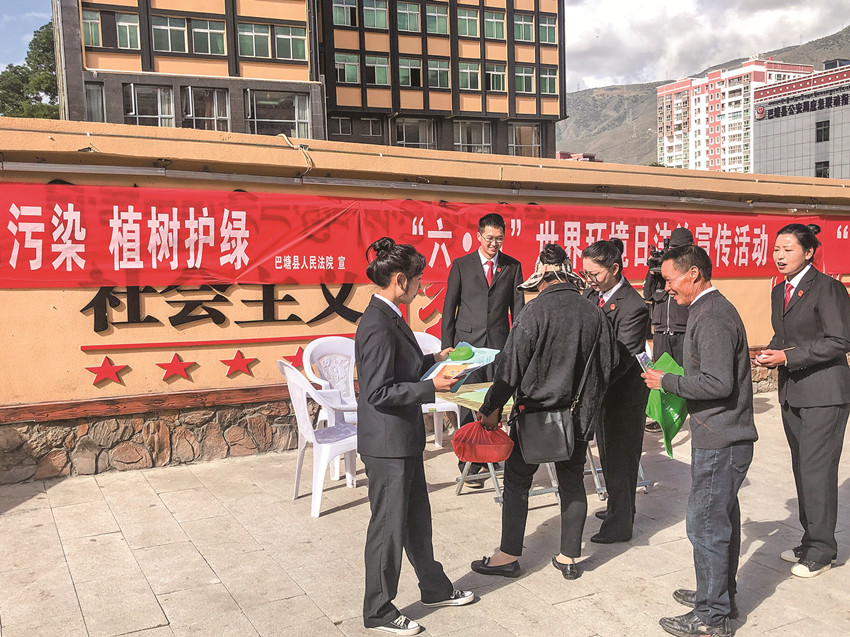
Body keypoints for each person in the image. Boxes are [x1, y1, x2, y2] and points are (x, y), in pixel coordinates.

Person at [469, 244, 616, 580]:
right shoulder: (594, 313)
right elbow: (609, 366)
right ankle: (569, 557)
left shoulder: (533, 312)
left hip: (533, 417)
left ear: (541, 277)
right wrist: (588, 407)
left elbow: (509, 369)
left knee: (517, 483)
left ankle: (507, 556)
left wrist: (491, 408)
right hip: (577, 417)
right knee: (572, 482)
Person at [355, 237, 474, 636]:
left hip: (402, 439)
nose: (422, 287)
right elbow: (377, 391)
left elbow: (399, 366)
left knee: (416, 521)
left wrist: (434, 360)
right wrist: (430, 387)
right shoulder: (377, 324)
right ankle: (378, 610)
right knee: (388, 528)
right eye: (418, 279)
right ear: (401, 280)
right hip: (387, 443)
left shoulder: (390, 315)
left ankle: (434, 588)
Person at [642, 244, 757, 637]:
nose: (666, 288)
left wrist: (668, 382)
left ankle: (711, 617)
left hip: (722, 438)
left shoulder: (711, 316)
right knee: (719, 520)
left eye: (670, 279)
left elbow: (718, 383)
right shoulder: (707, 310)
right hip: (720, 434)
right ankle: (718, 596)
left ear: (693, 273)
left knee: (706, 525)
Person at [755, 223, 850, 579]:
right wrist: (771, 352)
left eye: (788, 249)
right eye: (776, 249)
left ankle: (823, 551)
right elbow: (785, 337)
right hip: (793, 392)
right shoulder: (779, 291)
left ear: (809, 252)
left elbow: (840, 340)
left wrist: (788, 357)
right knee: (802, 469)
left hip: (825, 394)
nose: (779, 256)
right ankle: (810, 540)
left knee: (817, 471)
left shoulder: (828, 288)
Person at [441, 213, 525, 484]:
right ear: (478, 236)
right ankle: (468, 462)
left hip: (498, 346)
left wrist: (517, 346)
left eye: (499, 239)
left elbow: (518, 310)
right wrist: (447, 348)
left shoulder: (512, 266)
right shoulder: (461, 265)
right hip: (467, 348)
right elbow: (449, 308)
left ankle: (490, 453)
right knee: (469, 401)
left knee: (494, 400)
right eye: (489, 238)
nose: (493, 243)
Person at [581, 238, 650, 543]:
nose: (589, 280)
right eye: (585, 273)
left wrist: (587, 383)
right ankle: (616, 508)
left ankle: (620, 525)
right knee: (607, 454)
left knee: (621, 459)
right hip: (601, 390)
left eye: (594, 274)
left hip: (622, 392)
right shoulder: (590, 295)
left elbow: (621, 358)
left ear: (614, 269)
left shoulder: (633, 306)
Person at [643, 227, 694, 432]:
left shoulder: (693, 268)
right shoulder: (662, 268)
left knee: (684, 375)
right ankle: (662, 418)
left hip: (683, 330)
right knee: (660, 375)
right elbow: (648, 294)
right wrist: (653, 271)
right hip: (661, 331)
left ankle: (686, 413)